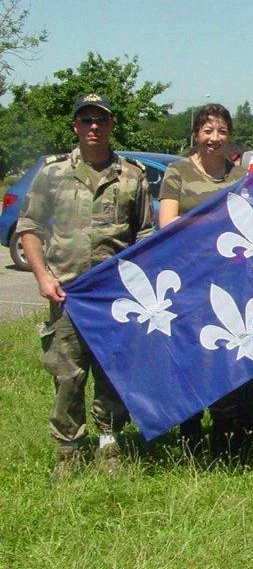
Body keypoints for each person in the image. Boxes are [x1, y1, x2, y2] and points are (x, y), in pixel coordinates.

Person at [16, 94, 154, 480]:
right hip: (68, 293)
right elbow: (30, 228)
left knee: (113, 371)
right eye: (86, 120)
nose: (94, 127)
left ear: (111, 126)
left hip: (115, 295)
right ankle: (67, 450)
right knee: (67, 374)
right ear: (76, 126)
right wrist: (43, 277)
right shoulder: (52, 174)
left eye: (101, 120)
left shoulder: (132, 175)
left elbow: (144, 234)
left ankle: (109, 442)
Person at [158, 103, 252, 457]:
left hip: (231, 282)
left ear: (230, 136)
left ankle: (227, 434)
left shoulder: (241, 176)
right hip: (187, 281)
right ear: (196, 134)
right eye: (207, 131)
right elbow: (167, 225)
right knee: (192, 357)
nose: (214, 138)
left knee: (226, 356)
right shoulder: (177, 172)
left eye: (221, 131)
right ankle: (189, 432)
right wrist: (214, 224)